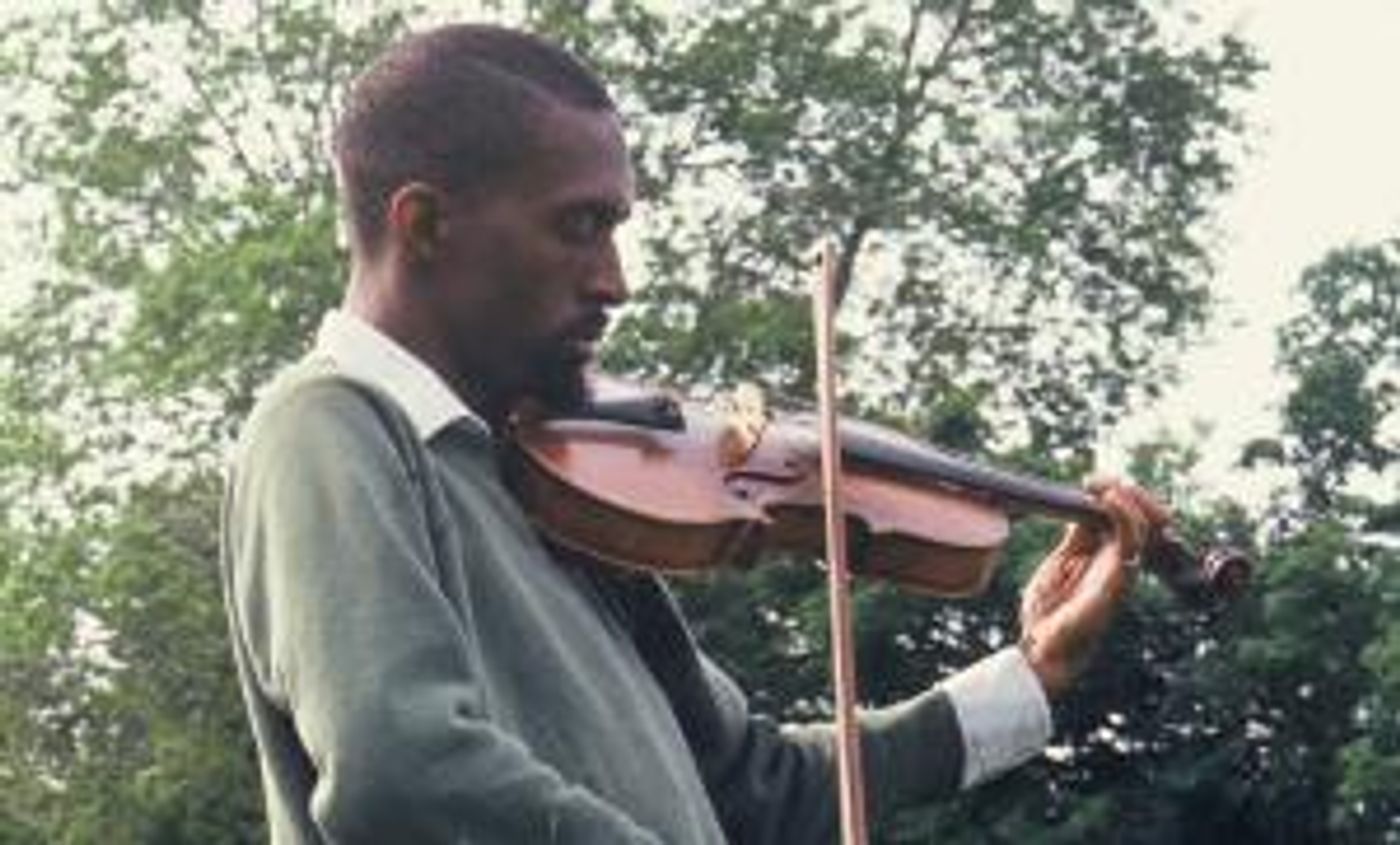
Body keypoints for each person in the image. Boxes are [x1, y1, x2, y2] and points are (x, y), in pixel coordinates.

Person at [219, 23, 1167, 845]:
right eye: (580, 226)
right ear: (424, 224)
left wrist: (1035, 676)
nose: (614, 278)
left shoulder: (551, 480)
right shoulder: (329, 426)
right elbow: (403, 768)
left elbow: (757, 788)